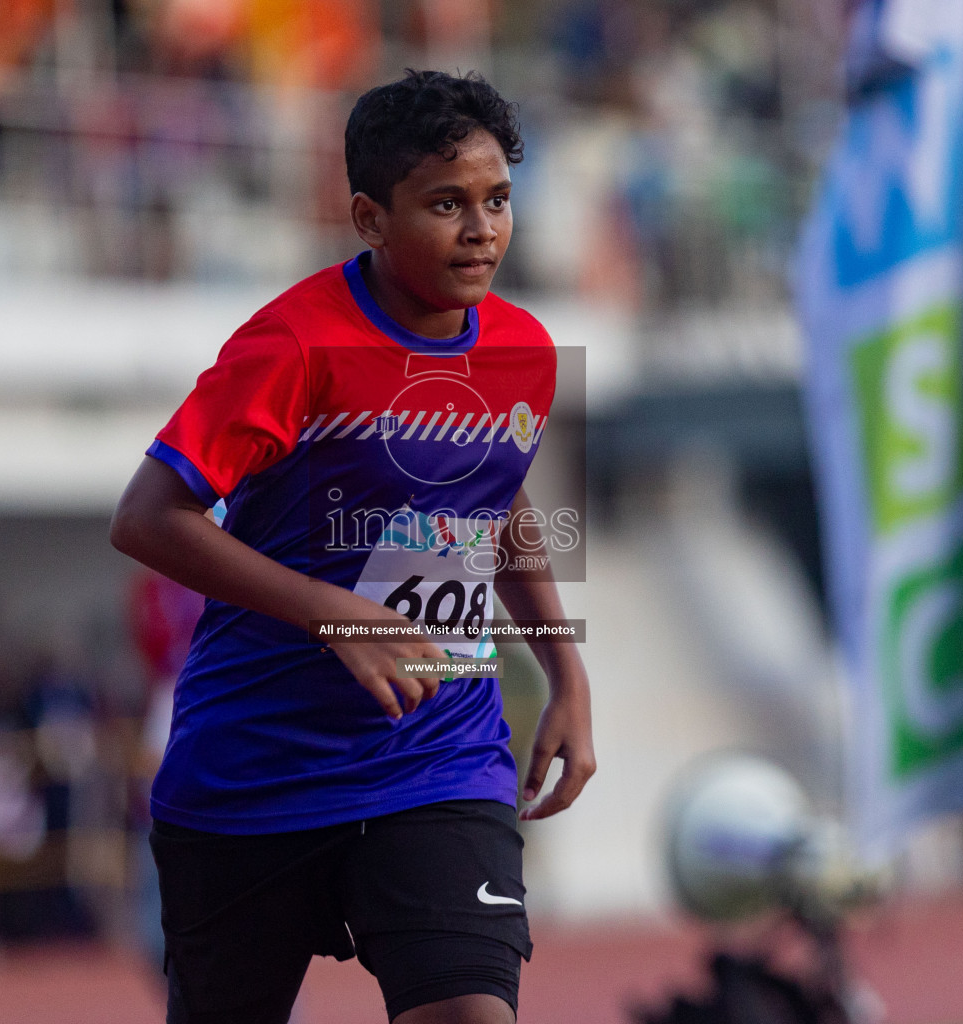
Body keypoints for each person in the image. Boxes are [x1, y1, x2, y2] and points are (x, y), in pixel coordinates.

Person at [110, 69, 596, 1024]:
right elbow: (146, 517)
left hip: (440, 752)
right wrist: (339, 617)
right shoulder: (293, 345)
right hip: (255, 771)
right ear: (370, 218)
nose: (482, 230)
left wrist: (566, 671)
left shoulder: (523, 350)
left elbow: (493, 501)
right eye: (446, 204)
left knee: (471, 1014)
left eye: (497, 200)